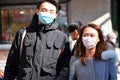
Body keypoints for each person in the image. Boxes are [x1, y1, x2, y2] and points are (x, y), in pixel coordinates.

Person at [3, 0, 71, 80]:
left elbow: (64, 68)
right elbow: (11, 64)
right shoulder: (23, 33)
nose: (47, 13)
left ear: (55, 15)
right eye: (44, 10)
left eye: (51, 11)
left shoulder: (61, 37)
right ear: (37, 11)